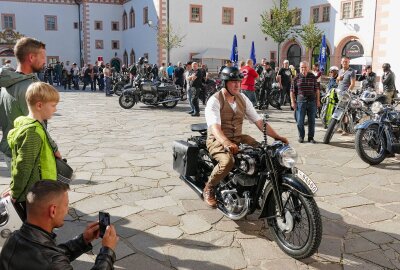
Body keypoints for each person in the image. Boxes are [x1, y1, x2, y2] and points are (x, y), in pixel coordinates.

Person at [203, 66, 288, 207]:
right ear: (225, 83)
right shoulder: (215, 100)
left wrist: (277, 137)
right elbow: (215, 128)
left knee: (264, 152)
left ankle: (255, 184)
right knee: (227, 161)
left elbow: (259, 121)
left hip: (237, 137)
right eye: (233, 81)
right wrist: (226, 142)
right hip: (217, 139)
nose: (237, 85)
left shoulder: (243, 98)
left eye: (239, 81)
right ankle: (209, 187)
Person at [0, 180, 118, 270]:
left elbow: (49, 255)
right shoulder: (53, 263)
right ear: (53, 211)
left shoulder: (13, 238)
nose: (67, 211)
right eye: (66, 205)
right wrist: (107, 252)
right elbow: (51, 259)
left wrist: (83, 240)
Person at [0, 37, 60, 171]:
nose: (45, 61)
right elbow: (38, 123)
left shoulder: (6, 83)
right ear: (31, 57)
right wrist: (53, 149)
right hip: (27, 152)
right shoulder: (30, 87)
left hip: (10, 148)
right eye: (43, 57)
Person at [6, 82, 60, 219]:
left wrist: (55, 149)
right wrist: (15, 193)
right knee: (36, 227)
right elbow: (23, 166)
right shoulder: (32, 133)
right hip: (34, 194)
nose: (55, 109)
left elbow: (46, 136)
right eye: (53, 105)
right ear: (40, 105)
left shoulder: (36, 124)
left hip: (41, 189)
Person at [290, 61, 320, 144]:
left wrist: (318, 101)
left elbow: (317, 90)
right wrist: (293, 102)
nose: (303, 69)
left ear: (308, 68)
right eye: (302, 67)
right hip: (300, 101)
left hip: (312, 101)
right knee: (300, 121)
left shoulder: (313, 77)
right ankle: (301, 136)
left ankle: (311, 137)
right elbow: (292, 91)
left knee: (312, 121)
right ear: (299, 68)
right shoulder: (296, 78)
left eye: (305, 67)